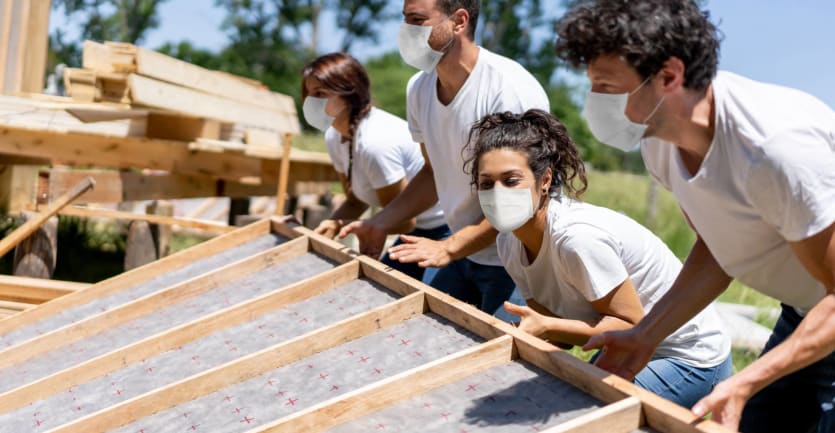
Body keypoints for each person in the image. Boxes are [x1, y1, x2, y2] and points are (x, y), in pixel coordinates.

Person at [554, 1, 835, 431]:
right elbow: (718, 249)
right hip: (807, 313)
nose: (595, 103)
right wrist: (646, 335)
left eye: (606, 87)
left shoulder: (775, 150)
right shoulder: (658, 143)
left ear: (669, 76)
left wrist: (746, 381)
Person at [467, 108, 732, 408]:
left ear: (544, 180)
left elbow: (630, 326)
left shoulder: (576, 239)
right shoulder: (508, 242)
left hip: (686, 355)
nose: (497, 193)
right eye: (486, 183)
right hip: (626, 348)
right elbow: (557, 332)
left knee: (587, 415)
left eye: (511, 180)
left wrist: (546, 330)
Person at [338, 0, 550, 319]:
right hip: (465, 248)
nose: (404, 30)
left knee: (505, 360)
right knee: (425, 334)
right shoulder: (419, 88)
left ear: (459, 22)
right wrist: (379, 222)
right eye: (404, 19)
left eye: (417, 19)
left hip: (519, 258)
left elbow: (520, 199)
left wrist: (447, 248)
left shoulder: (508, 90)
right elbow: (432, 173)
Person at [301, 52, 449, 283]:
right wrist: (331, 225)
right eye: (308, 94)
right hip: (413, 230)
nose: (311, 102)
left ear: (349, 94)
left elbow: (403, 220)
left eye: (320, 94)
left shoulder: (375, 143)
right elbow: (355, 200)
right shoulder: (335, 137)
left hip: (443, 230)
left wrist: (349, 226)